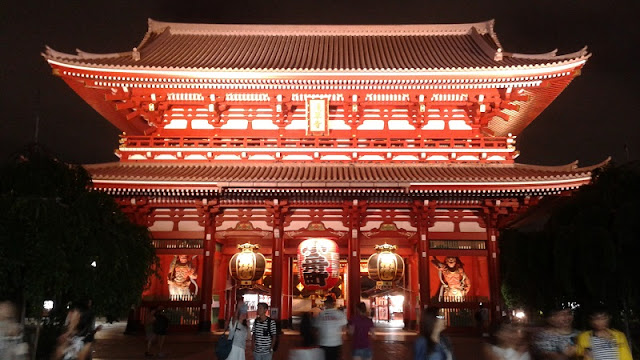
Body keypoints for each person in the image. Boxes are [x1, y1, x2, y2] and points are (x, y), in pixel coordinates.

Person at [313, 296, 348, 360]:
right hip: (335, 343)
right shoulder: (340, 314)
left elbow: (316, 329)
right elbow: (344, 328)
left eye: (326, 303)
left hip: (324, 343)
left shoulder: (321, 314)